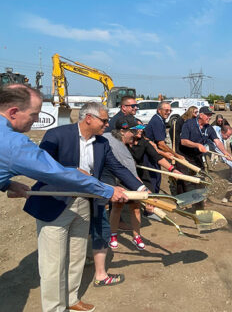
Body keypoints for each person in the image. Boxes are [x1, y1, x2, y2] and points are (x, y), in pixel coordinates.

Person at [24, 102, 143, 312]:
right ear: (89, 118)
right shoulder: (56, 135)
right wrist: (73, 171)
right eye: (104, 121)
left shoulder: (101, 143)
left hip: (84, 203)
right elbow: (40, 166)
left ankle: (71, 299)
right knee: (53, 264)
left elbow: (116, 166)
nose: (107, 125)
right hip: (55, 203)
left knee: (77, 257)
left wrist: (140, 187)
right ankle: (54, 309)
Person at [103, 115, 149, 252]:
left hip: (123, 178)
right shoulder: (120, 149)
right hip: (117, 180)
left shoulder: (108, 136)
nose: (136, 135)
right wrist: (147, 193)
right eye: (133, 132)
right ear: (122, 131)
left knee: (135, 207)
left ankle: (137, 236)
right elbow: (131, 174)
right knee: (117, 206)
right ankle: (113, 235)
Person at [179, 107, 230, 207]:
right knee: (184, 180)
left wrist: (225, 152)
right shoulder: (189, 124)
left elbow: (217, 141)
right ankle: (182, 201)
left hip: (197, 157)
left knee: (201, 178)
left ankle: (199, 202)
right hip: (185, 156)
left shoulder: (208, 128)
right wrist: (197, 145)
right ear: (200, 115)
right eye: (207, 115)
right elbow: (183, 141)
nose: (209, 117)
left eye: (210, 115)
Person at [144, 101, 177, 192]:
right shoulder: (157, 121)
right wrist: (175, 155)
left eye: (170, 110)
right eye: (166, 110)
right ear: (159, 110)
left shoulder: (160, 120)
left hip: (154, 153)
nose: (168, 112)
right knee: (153, 179)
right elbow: (161, 144)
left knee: (157, 178)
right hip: (149, 155)